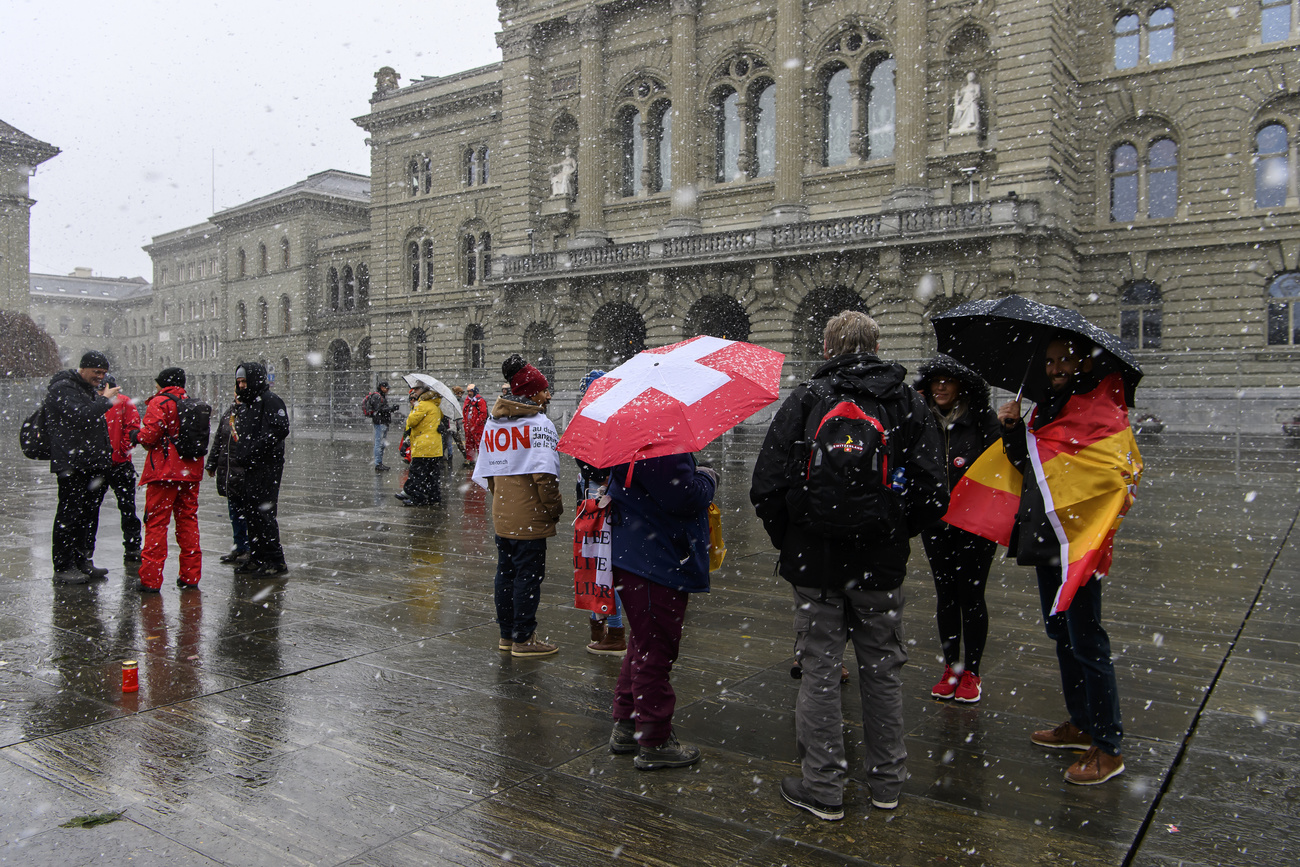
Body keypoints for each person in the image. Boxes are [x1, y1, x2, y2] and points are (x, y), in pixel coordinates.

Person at [750, 311, 947, 820]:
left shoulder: (807, 399)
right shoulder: (907, 403)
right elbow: (933, 492)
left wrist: (794, 539)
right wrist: (891, 531)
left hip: (814, 564)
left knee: (818, 668)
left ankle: (824, 788)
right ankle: (886, 783)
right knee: (882, 670)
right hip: (880, 565)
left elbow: (766, 487)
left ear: (828, 347)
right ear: (876, 345)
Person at [993, 336, 1133, 785]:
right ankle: (1081, 723)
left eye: (1064, 360)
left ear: (1083, 363)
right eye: (1050, 361)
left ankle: (1108, 746)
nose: (1055, 368)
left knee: (1088, 639)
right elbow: (1029, 466)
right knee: (1061, 631)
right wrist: (1014, 431)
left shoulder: (1093, 408)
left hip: (1078, 538)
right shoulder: (1046, 406)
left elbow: (1111, 470)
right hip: (1047, 535)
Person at [606, 452, 717, 770]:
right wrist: (707, 477)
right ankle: (654, 740)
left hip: (637, 552)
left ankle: (628, 723)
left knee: (644, 640)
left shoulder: (632, 436)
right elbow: (682, 496)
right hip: (656, 558)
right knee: (656, 647)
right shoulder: (658, 443)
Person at [914, 355, 1002, 703]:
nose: (940, 387)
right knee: (946, 595)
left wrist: (1011, 431)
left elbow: (1007, 463)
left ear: (962, 385)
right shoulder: (922, 420)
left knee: (972, 596)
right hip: (937, 522)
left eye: (947, 380)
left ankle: (973, 672)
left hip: (976, 524)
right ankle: (951, 666)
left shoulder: (982, 420)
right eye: (935, 380)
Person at [471, 355, 563, 657]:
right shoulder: (539, 425)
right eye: (544, 389)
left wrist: (504, 500)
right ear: (531, 393)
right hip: (531, 516)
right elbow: (545, 477)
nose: (548, 395)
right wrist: (554, 509)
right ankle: (524, 638)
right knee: (528, 577)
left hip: (502, 513)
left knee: (505, 574)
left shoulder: (494, 423)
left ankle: (506, 636)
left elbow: (490, 472)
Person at [45, 350, 119, 583]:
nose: (100, 377)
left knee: (89, 515)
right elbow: (82, 416)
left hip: (91, 463)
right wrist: (105, 400)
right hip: (72, 463)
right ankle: (63, 566)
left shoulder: (86, 388)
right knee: (70, 514)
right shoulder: (63, 387)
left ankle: (82, 561)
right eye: (97, 372)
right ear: (83, 368)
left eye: (104, 373)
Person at [573, 369, 626, 655]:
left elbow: (586, 461)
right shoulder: (617, 415)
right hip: (606, 497)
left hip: (596, 498)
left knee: (598, 566)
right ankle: (602, 626)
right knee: (601, 566)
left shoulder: (592, 417)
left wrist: (599, 476)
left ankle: (611, 629)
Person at [136, 367, 204, 592]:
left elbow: (150, 435)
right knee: (188, 521)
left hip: (165, 473)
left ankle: (151, 579)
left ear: (163, 383)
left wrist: (135, 435)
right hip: (190, 471)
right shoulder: (191, 402)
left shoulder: (161, 402)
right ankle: (190, 576)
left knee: (156, 523)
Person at [227, 362, 290, 575]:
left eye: (245, 381)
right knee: (251, 512)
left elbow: (280, 428)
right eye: (239, 382)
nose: (242, 386)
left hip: (267, 466)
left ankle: (275, 560)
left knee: (264, 513)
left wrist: (256, 449)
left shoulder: (270, 401)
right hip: (251, 466)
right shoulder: (248, 403)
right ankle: (257, 556)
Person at [100, 373, 142, 563]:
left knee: (127, 508)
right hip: (103, 463)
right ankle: (132, 545)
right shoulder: (98, 403)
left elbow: (132, 428)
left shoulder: (123, 403)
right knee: (93, 510)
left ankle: (133, 546)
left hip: (118, 463)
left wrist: (122, 449)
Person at [206, 390, 249, 565]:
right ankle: (239, 547)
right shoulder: (230, 413)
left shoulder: (251, 412)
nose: (238, 392)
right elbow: (219, 440)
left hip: (243, 471)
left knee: (246, 513)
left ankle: (248, 549)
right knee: (234, 512)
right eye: (237, 387)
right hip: (230, 471)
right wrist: (212, 463)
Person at [400, 382, 444, 506]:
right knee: (432, 475)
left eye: (417, 389)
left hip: (423, 446)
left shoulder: (422, 405)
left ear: (423, 391)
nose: (414, 391)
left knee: (417, 474)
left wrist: (414, 408)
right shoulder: (435, 406)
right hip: (435, 447)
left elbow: (411, 421)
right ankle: (434, 497)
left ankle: (417, 498)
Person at [363, 382, 397, 472]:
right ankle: (378, 464)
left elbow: (380, 409)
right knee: (379, 443)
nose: (388, 390)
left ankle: (379, 463)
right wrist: (391, 409)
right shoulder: (377, 396)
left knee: (381, 444)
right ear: (382, 388)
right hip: (380, 422)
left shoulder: (380, 396)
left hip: (382, 422)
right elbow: (379, 409)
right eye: (387, 388)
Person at [462, 383, 488, 465]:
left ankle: (482, 459)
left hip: (477, 427)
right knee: (469, 443)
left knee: (479, 443)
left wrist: (477, 423)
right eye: (468, 391)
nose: (469, 393)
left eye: (471, 391)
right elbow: (465, 412)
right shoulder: (469, 400)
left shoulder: (479, 400)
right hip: (469, 426)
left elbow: (483, 414)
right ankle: (470, 458)